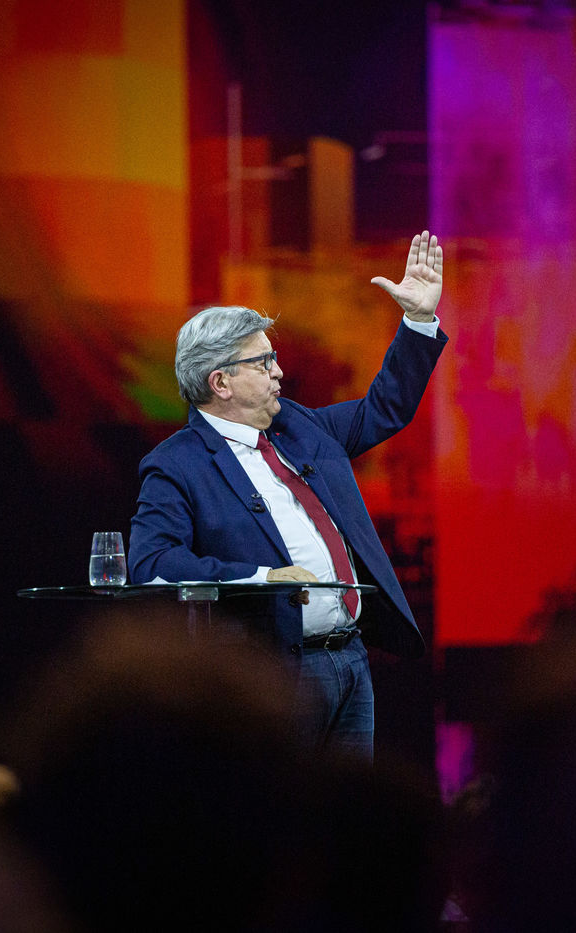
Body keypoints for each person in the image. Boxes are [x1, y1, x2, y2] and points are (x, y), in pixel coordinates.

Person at [128, 230, 446, 761]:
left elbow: (383, 409)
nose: (278, 371)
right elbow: (151, 564)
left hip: (351, 659)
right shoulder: (177, 464)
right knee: (284, 808)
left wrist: (418, 320)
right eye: (262, 362)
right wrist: (263, 579)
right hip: (273, 674)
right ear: (221, 382)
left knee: (348, 810)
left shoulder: (299, 426)